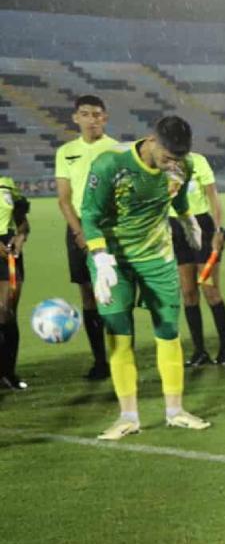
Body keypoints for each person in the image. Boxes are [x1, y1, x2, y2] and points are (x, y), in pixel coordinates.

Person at [80, 116, 212, 440]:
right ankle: (127, 416)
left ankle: (175, 411)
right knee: (119, 335)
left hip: (158, 258)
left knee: (168, 331)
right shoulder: (110, 164)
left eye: (177, 160)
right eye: (167, 157)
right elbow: (89, 214)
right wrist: (99, 258)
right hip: (113, 260)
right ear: (152, 140)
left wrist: (187, 220)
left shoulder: (184, 165)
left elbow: (178, 196)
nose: (172, 165)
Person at [54, 94, 120, 380]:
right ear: (75, 118)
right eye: (85, 114)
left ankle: (120, 357)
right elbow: (64, 200)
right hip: (79, 229)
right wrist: (80, 232)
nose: (91, 119)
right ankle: (100, 361)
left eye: (96, 114)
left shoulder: (117, 150)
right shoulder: (66, 151)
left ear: (105, 118)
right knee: (88, 295)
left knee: (115, 295)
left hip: (110, 230)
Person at [170, 151, 225, 367]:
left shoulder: (197, 161)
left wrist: (217, 231)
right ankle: (200, 351)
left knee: (210, 290)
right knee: (188, 293)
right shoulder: (162, 162)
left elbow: (213, 197)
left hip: (201, 227)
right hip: (174, 227)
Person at [0, 176, 31, 389]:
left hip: (7, 250)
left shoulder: (7, 184)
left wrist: (20, 237)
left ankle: (8, 372)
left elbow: (22, 221)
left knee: (7, 311)